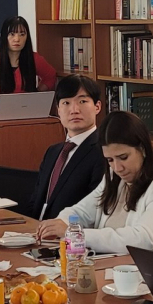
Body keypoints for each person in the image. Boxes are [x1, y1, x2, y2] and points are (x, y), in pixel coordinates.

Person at [37, 111, 153, 258]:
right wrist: (61, 222)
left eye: (123, 157)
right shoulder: (115, 177)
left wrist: (76, 234)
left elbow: (143, 239)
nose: (117, 168)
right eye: (110, 160)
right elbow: (82, 211)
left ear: (143, 149)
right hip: (114, 267)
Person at [24, 75, 108, 221]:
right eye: (66, 103)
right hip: (39, 234)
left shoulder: (103, 152)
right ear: (58, 110)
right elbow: (36, 200)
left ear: (97, 107)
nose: (74, 110)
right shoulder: (53, 152)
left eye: (82, 101)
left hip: (72, 237)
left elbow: (94, 210)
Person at [0, 16, 57, 116]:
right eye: (12, 34)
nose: (17, 39)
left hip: (28, 115)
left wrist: (36, 94)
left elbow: (51, 76)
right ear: (3, 36)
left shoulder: (34, 58)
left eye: (22, 34)